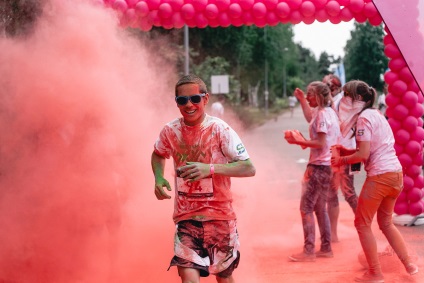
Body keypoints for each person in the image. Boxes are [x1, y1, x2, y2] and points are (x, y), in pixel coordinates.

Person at [151, 74, 256, 283]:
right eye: (182, 100)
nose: (189, 105)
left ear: (205, 99)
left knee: (224, 278)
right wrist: (159, 177)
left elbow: (248, 167)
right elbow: (158, 153)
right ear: (176, 103)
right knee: (189, 278)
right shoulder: (170, 131)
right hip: (186, 218)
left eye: (195, 99)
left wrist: (209, 169)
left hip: (220, 219)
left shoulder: (220, 130)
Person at [331, 80, 418, 282]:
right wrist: (347, 153)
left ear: (358, 99)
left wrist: (341, 159)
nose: (343, 100)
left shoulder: (362, 120)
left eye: (346, 95)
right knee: (386, 223)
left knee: (362, 224)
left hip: (380, 177)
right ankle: (409, 264)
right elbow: (370, 150)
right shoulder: (376, 114)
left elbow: (363, 154)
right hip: (395, 175)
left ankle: (375, 273)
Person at [284, 81, 340, 262]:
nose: (308, 97)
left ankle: (309, 251)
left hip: (318, 167)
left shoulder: (323, 114)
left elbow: (321, 143)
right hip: (326, 166)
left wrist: (299, 141)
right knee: (319, 208)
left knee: (306, 207)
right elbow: (310, 117)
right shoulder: (328, 112)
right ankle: (325, 247)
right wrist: (301, 100)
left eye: (310, 94)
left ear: (319, 96)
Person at [323, 74, 358, 242]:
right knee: (332, 193)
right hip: (337, 151)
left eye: (325, 86)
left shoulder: (342, 101)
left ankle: (363, 227)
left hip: (346, 151)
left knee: (348, 193)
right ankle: (334, 235)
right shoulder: (331, 103)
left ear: (334, 88)